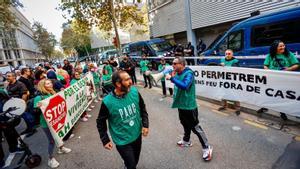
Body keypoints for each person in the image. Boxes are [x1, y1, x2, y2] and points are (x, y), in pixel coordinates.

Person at [97, 70, 149, 169]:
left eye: (130, 78)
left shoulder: (134, 91)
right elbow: (100, 121)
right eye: (127, 80)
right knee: (131, 165)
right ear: (118, 84)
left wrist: (145, 125)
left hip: (137, 135)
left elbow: (142, 108)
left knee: (135, 160)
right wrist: (105, 139)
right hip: (122, 141)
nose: (131, 82)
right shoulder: (107, 102)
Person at [166, 57, 213, 161]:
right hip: (181, 105)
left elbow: (185, 86)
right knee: (184, 123)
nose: (172, 65)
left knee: (195, 128)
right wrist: (172, 77)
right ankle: (186, 141)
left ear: (182, 64)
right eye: (172, 63)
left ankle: (207, 147)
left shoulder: (189, 74)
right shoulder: (176, 73)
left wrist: (172, 79)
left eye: (175, 63)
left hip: (189, 106)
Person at [34, 79, 71, 168]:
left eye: (50, 83)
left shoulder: (52, 93)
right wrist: (38, 107)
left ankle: (61, 148)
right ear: (42, 86)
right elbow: (35, 111)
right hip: (46, 124)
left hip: (56, 121)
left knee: (59, 136)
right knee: (51, 141)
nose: (50, 85)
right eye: (47, 84)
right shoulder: (39, 98)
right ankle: (50, 159)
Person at [263, 40, 299, 121]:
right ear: (275, 48)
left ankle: (284, 112)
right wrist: (269, 71)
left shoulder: (289, 54)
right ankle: (265, 107)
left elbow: (296, 64)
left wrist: (288, 69)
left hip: (285, 79)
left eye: (283, 46)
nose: (283, 47)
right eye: (280, 46)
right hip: (273, 79)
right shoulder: (270, 56)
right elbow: (265, 65)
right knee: (272, 93)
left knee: (283, 94)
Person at [218, 49, 241, 115]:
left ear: (232, 54)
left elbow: (236, 69)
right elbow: (218, 68)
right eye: (226, 54)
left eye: (229, 54)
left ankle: (237, 109)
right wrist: (220, 65)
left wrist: (225, 66)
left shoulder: (235, 61)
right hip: (224, 79)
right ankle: (223, 106)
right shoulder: (222, 59)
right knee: (223, 93)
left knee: (235, 94)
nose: (227, 55)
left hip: (232, 80)